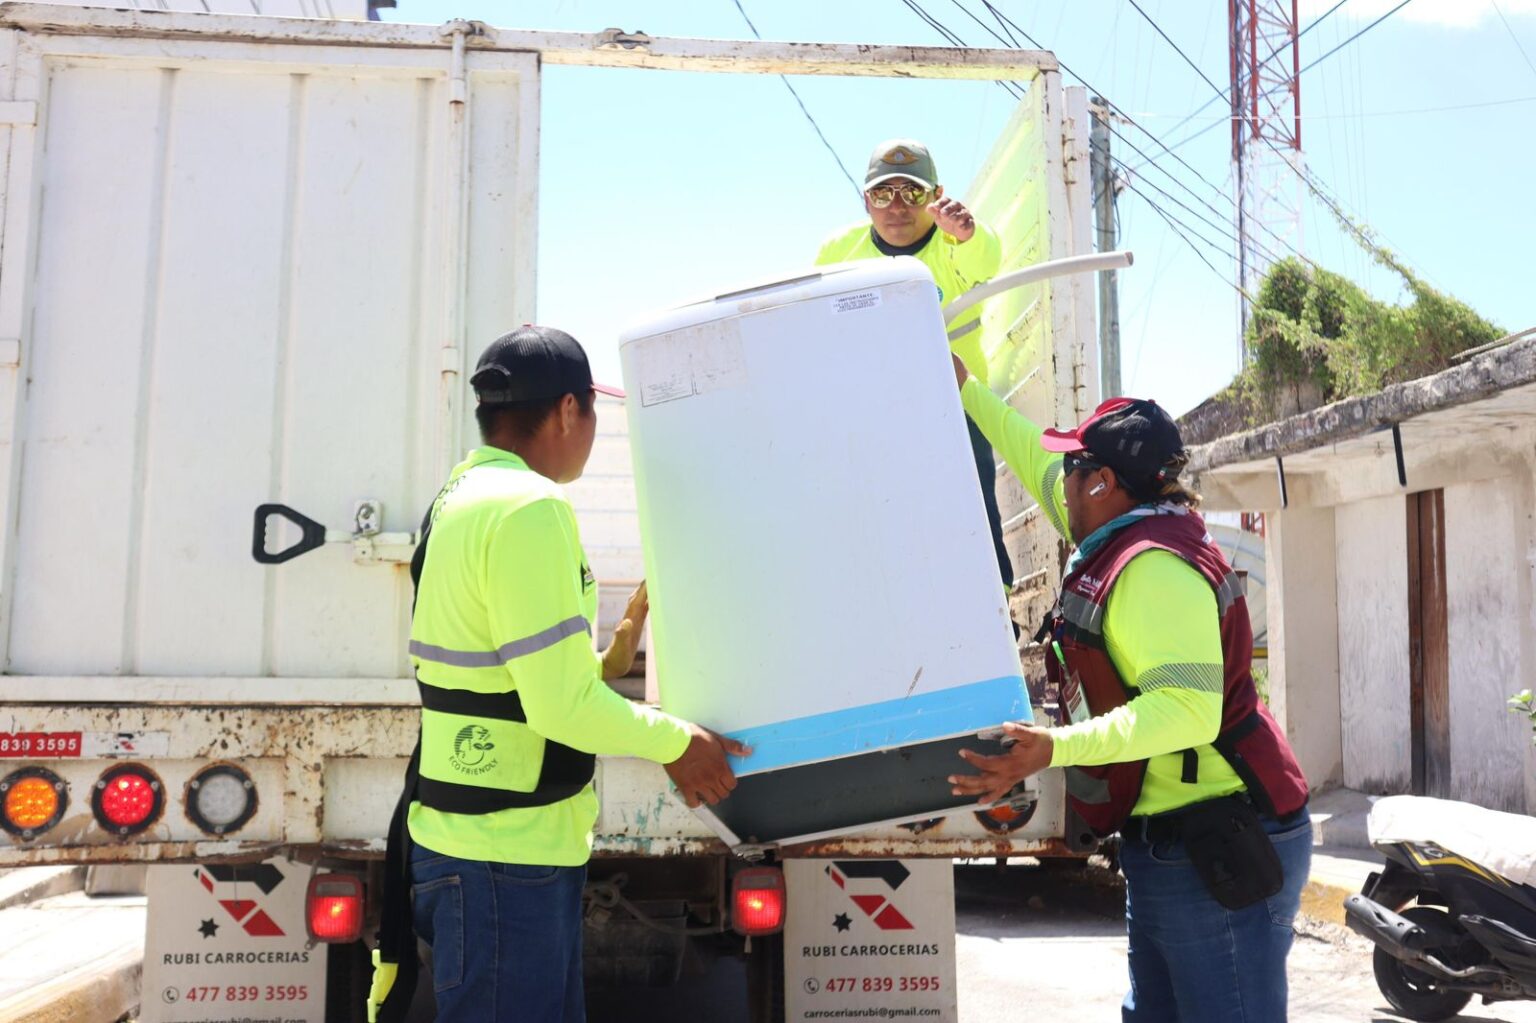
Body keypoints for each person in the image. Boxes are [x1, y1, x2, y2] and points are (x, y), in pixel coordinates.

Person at [369, 326, 745, 1023]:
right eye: (595, 414)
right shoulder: (531, 510)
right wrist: (680, 743)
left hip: (473, 837)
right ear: (569, 411)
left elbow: (505, 677)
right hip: (504, 857)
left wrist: (614, 655)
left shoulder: (459, 497)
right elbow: (559, 709)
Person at [946, 354, 1312, 1023]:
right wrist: (966, 387)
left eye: (1072, 470)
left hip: (1215, 837)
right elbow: (1031, 453)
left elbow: (1187, 712)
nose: (1057, 481)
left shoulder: (1153, 570)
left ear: (1102, 483)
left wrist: (1053, 748)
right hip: (1170, 837)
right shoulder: (1118, 529)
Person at [814, 138, 1013, 593]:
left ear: (936, 195)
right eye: (883, 194)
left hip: (954, 405)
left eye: (913, 192)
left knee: (974, 508)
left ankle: (998, 606)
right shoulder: (836, 252)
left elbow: (987, 256)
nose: (897, 207)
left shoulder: (952, 244)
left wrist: (965, 232)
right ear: (866, 201)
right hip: (874, 411)